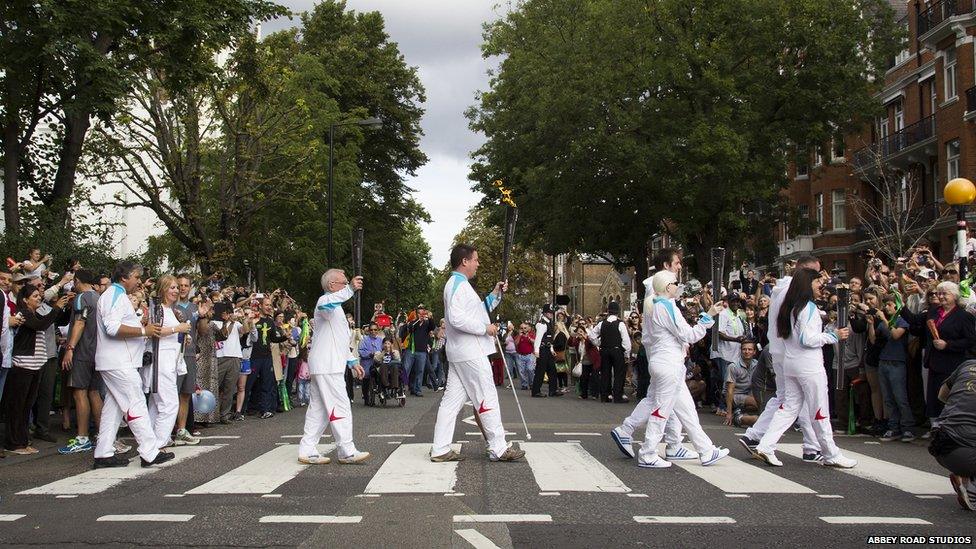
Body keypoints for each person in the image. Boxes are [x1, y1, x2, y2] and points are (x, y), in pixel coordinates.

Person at [611, 269, 729, 468]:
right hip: (669, 364)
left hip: (664, 363)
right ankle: (648, 453)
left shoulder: (655, 305)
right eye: (675, 283)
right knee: (661, 410)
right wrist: (708, 316)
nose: (678, 286)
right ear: (668, 287)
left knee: (686, 410)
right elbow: (689, 335)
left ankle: (706, 450)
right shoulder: (666, 306)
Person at [753, 268, 857, 468]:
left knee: (788, 408)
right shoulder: (807, 308)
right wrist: (833, 336)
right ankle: (830, 453)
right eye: (818, 282)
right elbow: (807, 339)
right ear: (807, 284)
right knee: (819, 410)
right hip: (809, 366)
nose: (822, 286)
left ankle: (765, 446)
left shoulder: (791, 307)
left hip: (791, 364)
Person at [430, 244, 523, 463]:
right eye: (475, 260)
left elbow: (478, 311)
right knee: (486, 396)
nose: (477, 264)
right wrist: (486, 328)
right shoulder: (457, 286)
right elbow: (457, 319)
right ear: (465, 261)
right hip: (470, 352)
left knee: (451, 403)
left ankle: (440, 448)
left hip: (461, 352)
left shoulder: (460, 285)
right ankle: (498, 447)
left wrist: (495, 294)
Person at [740, 256, 824, 463]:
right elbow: (798, 323)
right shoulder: (792, 292)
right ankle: (810, 447)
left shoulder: (781, 288)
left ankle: (755, 435)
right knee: (795, 399)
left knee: (786, 398)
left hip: (778, 349)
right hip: (790, 350)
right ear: (804, 272)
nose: (819, 280)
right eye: (815, 275)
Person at [93, 262, 171, 468]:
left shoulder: (115, 295)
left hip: (117, 361)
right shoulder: (114, 295)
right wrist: (144, 331)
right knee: (135, 402)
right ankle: (149, 452)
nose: (139, 281)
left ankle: (103, 453)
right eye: (136, 277)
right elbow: (112, 327)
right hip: (119, 362)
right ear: (124, 277)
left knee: (114, 407)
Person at [297, 269, 370, 465]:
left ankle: (307, 449)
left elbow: (339, 339)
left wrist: (352, 361)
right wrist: (350, 289)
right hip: (327, 365)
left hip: (327, 364)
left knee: (319, 410)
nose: (346, 284)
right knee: (340, 405)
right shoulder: (324, 302)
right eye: (343, 282)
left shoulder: (337, 308)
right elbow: (330, 303)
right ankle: (346, 450)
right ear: (331, 285)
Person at [2, 285, 66, 454]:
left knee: (26, 406)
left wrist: (62, 307)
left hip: (36, 365)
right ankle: (13, 443)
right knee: (17, 406)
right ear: (25, 299)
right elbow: (40, 325)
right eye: (35, 296)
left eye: (39, 295)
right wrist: (56, 307)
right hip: (22, 365)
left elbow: (51, 321)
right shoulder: (24, 314)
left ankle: (23, 441)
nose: (39, 298)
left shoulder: (35, 314)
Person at [144, 275, 192, 449]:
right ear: (163, 289)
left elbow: (170, 334)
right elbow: (154, 331)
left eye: (176, 288)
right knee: (170, 405)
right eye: (172, 288)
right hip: (160, 363)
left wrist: (182, 338)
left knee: (156, 406)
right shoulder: (158, 308)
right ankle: (158, 444)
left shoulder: (170, 310)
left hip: (170, 362)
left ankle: (149, 443)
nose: (176, 291)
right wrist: (177, 328)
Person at [58, 270, 104, 454]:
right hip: (98, 353)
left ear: (77, 281)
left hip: (82, 352)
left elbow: (79, 322)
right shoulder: (99, 298)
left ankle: (82, 437)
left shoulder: (81, 298)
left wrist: (70, 348)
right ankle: (103, 435)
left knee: (79, 393)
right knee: (94, 393)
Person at [930, 360, 976, 511]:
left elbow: (942, 395)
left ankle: (965, 478)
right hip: (965, 452)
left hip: (939, 443)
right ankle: (971, 488)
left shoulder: (967, 364)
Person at [872, 295, 914, 442]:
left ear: (896, 306)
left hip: (897, 362)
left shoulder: (901, 320)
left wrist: (884, 319)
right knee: (888, 398)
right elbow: (873, 339)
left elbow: (896, 335)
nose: (887, 307)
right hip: (883, 361)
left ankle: (908, 428)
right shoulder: (883, 322)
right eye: (886, 305)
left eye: (890, 304)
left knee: (900, 396)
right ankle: (893, 427)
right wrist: (871, 324)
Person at [248, 297, 287, 419]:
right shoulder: (255, 320)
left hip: (266, 357)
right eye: (266, 305)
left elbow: (274, 339)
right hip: (253, 356)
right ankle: (244, 410)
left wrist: (284, 337)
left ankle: (266, 409)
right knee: (249, 384)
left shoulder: (270, 321)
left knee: (267, 383)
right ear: (260, 306)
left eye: (270, 305)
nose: (269, 307)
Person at [589, 301, 631, 403]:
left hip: (605, 350)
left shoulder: (601, 323)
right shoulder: (620, 324)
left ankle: (605, 395)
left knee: (605, 373)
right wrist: (626, 354)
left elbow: (591, 336)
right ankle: (617, 396)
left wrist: (599, 343)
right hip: (617, 350)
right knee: (618, 374)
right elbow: (626, 341)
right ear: (617, 312)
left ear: (608, 311)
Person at [724, 340, 760, 428]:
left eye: (750, 349)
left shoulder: (757, 364)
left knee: (764, 401)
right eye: (744, 349)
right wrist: (728, 413)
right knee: (757, 402)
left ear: (754, 352)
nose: (747, 352)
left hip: (747, 394)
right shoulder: (733, 366)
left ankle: (739, 413)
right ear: (741, 351)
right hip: (734, 395)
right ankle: (733, 413)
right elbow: (730, 390)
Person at [532, 304, 562, 398]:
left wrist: (552, 349)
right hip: (542, 349)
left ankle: (553, 390)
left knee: (552, 370)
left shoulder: (549, 323)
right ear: (545, 313)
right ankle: (536, 391)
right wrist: (536, 351)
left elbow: (549, 339)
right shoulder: (542, 324)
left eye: (552, 312)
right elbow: (538, 338)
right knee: (540, 371)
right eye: (549, 312)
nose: (552, 314)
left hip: (548, 349)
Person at [513, 322, 535, 390]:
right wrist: (520, 335)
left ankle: (531, 383)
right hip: (520, 355)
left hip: (530, 355)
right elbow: (516, 343)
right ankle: (524, 384)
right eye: (521, 328)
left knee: (530, 369)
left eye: (525, 328)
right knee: (521, 371)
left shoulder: (531, 334)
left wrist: (528, 337)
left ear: (528, 328)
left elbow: (535, 342)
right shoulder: (518, 335)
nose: (523, 329)